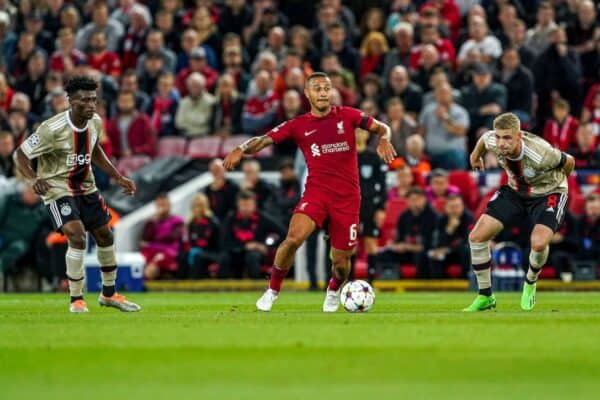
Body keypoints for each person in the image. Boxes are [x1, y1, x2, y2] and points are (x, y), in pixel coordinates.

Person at [223, 71, 396, 312]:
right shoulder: (298, 125)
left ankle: (334, 289)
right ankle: (272, 291)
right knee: (293, 239)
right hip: (316, 194)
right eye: (317, 88)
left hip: (347, 199)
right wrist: (241, 149)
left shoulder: (347, 115)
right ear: (307, 93)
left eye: (327, 88)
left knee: (341, 262)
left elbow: (382, 127)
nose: (323, 92)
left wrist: (384, 139)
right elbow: (264, 139)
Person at [12, 75, 140, 313]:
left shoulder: (95, 122)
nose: (91, 105)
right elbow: (20, 154)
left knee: (105, 236)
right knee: (78, 236)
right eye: (85, 100)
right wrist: (33, 178)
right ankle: (76, 299)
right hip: (57, 188)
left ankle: (109, 294)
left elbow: (95, 149)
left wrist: (118, 177)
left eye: (94, 100)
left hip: (86, 187)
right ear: (70, 101)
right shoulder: (51, 129)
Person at [464, 112, 575, 312]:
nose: (501, 143)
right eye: (498, 137)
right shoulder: (492, 140)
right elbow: (483, 139)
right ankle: (485, 296)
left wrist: (560, 185)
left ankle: (530, 282)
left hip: (549, 193)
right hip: (516, 191)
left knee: (539, 243)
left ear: (519, 136)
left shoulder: (542, 153)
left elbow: (570, 161)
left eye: (507, 138)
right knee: (477, 236)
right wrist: (474, 156)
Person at [219, 190, 286, 279]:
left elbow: (283, 233)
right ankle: (225, 287)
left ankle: (256, 286)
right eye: (243, 205)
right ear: (238, 205)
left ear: (254, 205)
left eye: (248, 205)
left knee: (252, 257)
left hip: (256, 253)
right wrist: (244, 246)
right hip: (235, 251)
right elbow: (224, 241)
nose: (245, 208)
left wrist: (267, 246)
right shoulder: (230, 219)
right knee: (224, 258)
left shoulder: (263, 219)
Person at [356, 128, 387, 282]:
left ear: (367, 135)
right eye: (355, 131)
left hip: (370, 206)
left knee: (370, 243)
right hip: (350, 206)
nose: (359, 134)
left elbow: (382, 185)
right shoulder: (345, 156)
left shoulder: (373, 157)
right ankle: (349, 281)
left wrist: (381, 208)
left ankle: (370, 282)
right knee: (350, 244)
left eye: (362, 131)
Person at [140, 193, 185, 280]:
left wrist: (152, 244)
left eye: (163, 205)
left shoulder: (177, 221)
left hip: (168, 251)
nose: (161, 208)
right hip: (152, 251)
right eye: (159, 205)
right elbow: (144, 240)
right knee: (140, 259)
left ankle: (143, 283)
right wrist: (154, 221)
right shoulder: (152, 222)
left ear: (169, 205)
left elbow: (172, 238)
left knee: (156, 261)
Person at [180, 193, 220, 279]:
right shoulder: (190, 223)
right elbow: (186, 240)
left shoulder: (212, 222)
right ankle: (181, 283)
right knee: (183, 255)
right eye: (195, 206)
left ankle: (194, 282)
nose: (197, 209)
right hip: (195, 251)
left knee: (198, 256)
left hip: (211, 252)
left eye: (199, 205)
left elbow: (217, 244)